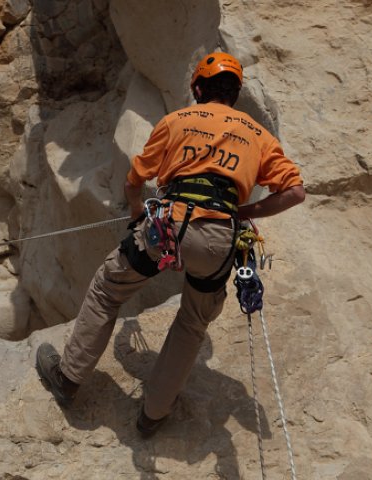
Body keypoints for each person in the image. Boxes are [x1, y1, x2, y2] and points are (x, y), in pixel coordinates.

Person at [35, 52, 305, 438]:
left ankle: (69, 377)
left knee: (108, 289)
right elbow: (294, 193)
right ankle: (154, 414)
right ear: (235, 92)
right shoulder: (258, 134)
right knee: (193, 323)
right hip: (220, 238)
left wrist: (134, 216)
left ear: (198, 88)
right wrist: (243, 212)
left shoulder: (178, 121)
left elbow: (134, 181)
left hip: (169, 227)